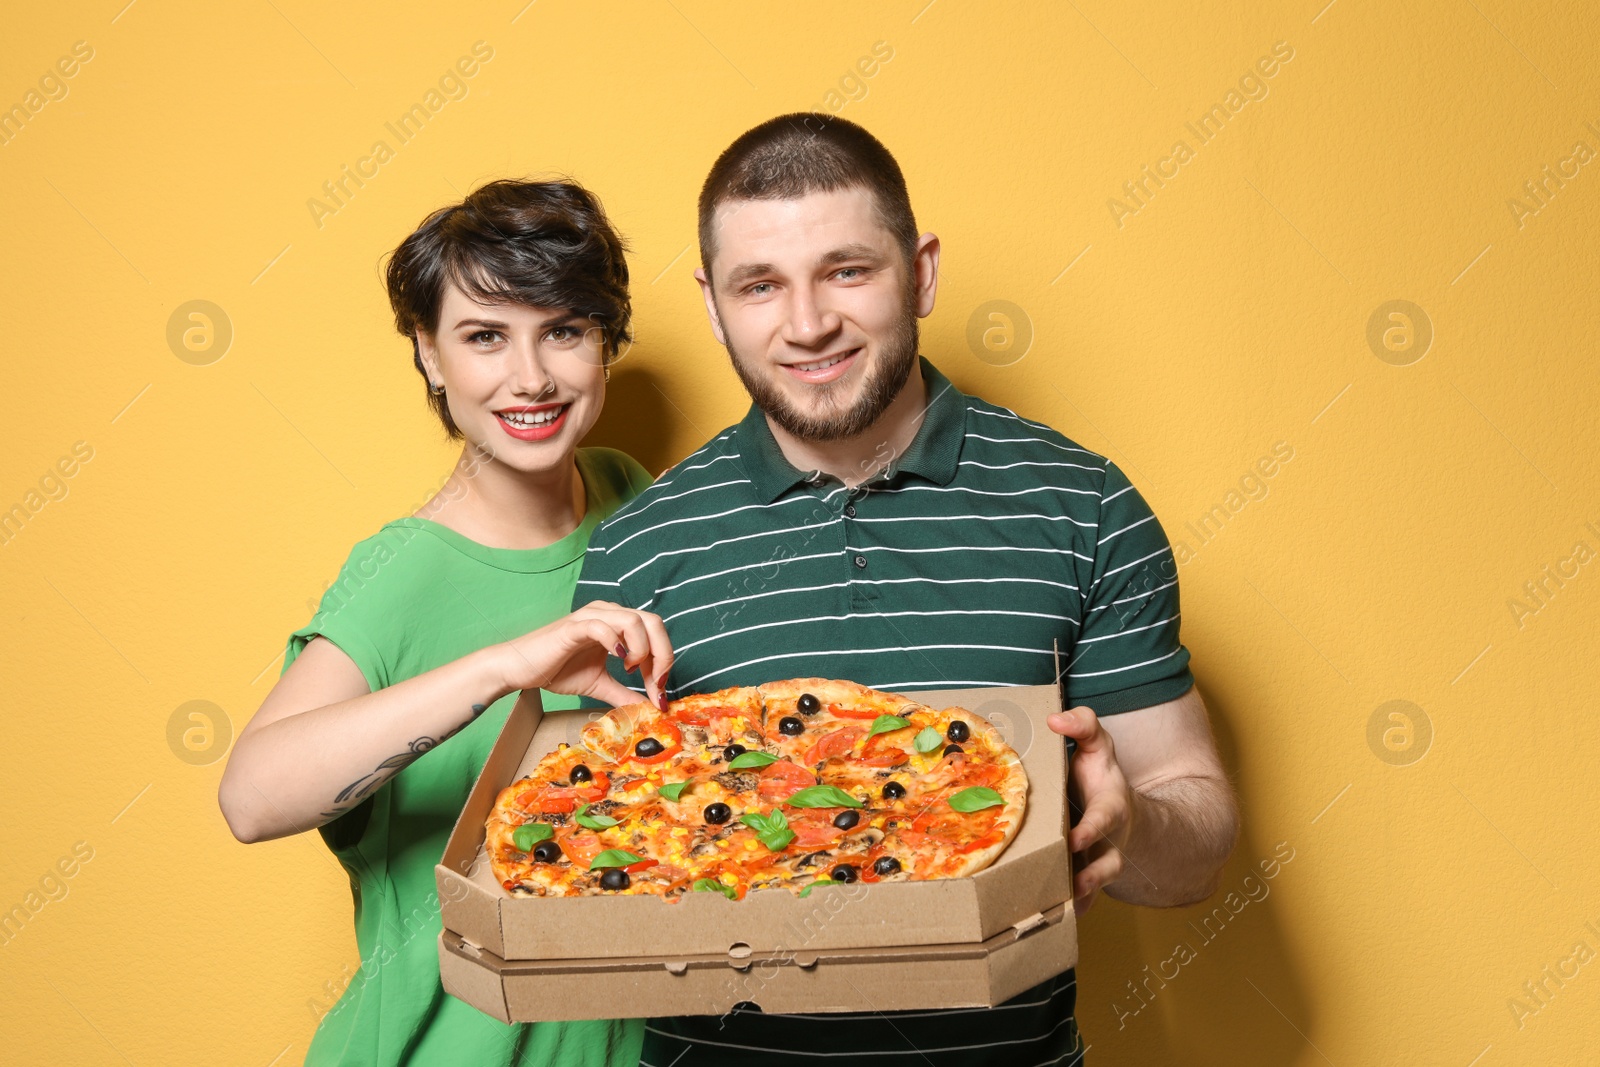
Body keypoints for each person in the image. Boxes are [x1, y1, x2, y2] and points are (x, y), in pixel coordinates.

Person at [573, 115, 1239, 1065]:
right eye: (759, 285)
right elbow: (598, 858)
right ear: (714, 305)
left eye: (848, 270)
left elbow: (1199, 849)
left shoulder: (1085, 503)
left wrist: (1126, 816)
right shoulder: (640, 545)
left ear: (921, 272)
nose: (806, 324)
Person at [218, 179, 674, 1067]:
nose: (532, 376)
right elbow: (249, 796)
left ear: (606, 344)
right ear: (430, 356)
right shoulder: (403, 570)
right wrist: (508, 665)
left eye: (565, 330)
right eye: (484, 337)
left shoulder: (628, 494)